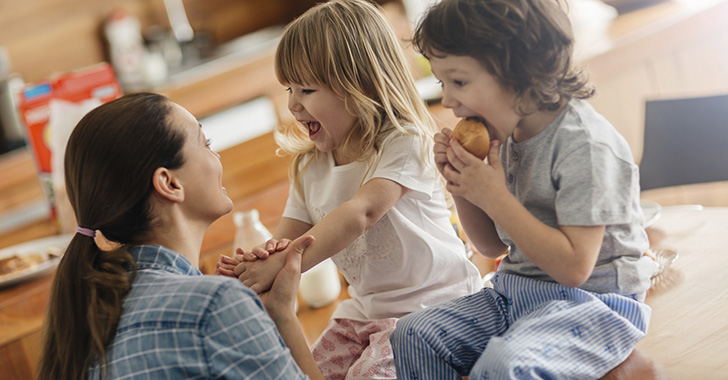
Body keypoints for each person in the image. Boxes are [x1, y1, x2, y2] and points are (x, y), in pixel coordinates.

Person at [388, 0, 657, 379]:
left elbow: (575, 268)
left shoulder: (585, 146)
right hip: (516, 294)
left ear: (522, 73)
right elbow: (492, 247)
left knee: (504, 365)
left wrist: (494, 196)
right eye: (441, 83)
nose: (448, 100)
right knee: (414, 334)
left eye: (459, 82)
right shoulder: (507, 134)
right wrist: (463, 185)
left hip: (593, 305)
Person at [217, 1, 482, 378]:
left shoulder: (404, 143)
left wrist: (281, 263)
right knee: (291, 370)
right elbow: (287, 239)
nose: (292, 104)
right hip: (364, 314)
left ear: (360, 86)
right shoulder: (309, 166)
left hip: (435, 309)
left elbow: (362, 213)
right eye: (289, 89)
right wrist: (258, 263)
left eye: (307, 89)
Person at [37, 92, 324, 380]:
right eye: (206, 144)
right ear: (169, 183)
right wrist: (274, 316)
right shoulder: (216, 305)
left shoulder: (87, 318)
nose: (217, 155)